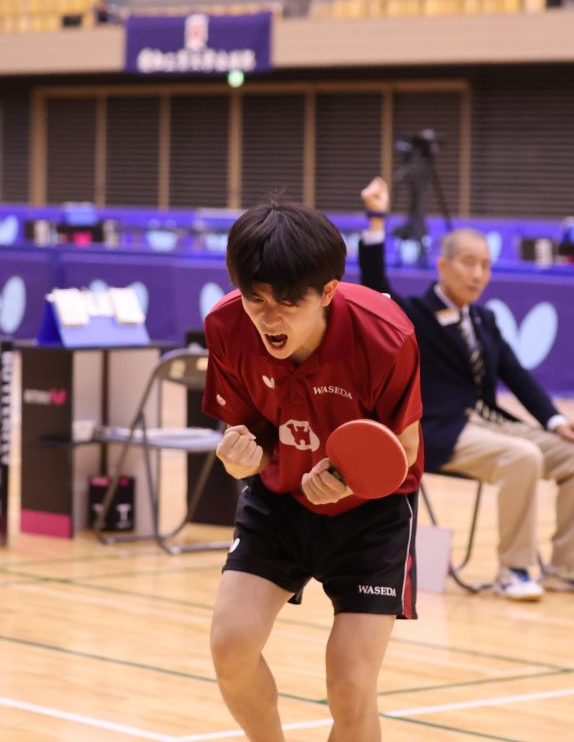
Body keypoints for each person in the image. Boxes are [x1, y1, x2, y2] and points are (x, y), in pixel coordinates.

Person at [204, 197, 424, 742]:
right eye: (256, 300)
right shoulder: (228, 327)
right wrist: (238, 455)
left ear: (327, 291)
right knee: (230, 647)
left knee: (351, 688)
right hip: (279, 501)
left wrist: (347, 478)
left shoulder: (385, 335)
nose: (269, 317)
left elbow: (408, 446)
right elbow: (246, 425)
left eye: (286, 302)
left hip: (371, 514)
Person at [358, 176, 574, 602]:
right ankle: (513, 570)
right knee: (522, 457)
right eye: (467, 262)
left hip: (491, 426)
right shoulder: (414, 315)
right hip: (441, 434)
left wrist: (555, 420)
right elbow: (372, 284)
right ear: (442, 266)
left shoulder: (485, 320)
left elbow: (518, 376)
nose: (477, 273)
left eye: (484, 264)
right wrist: (376, 220)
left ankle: (569, 567)